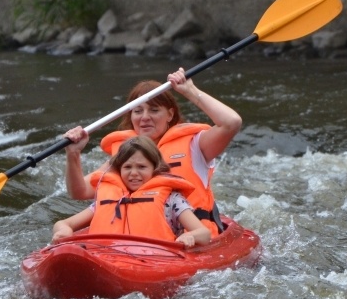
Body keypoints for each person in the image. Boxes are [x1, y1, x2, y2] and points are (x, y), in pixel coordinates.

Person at [62, 67, 242, 238]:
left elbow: (231, 122)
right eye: (138, 111)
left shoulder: (195, 144)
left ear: (170, 115)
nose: (145, 117)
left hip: (190, 239)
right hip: (138, 242)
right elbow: (79, 191)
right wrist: (73, 154)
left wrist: (190, 91)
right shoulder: (125, 154)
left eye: (154, 110)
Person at [51, 136, 211, 247]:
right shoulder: (110, 199)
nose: (134, 173)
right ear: (119, 169)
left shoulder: (172, 199)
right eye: (127, 167)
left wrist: (191, 236)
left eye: (142, 167)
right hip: (110, 257)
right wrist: (64, 230)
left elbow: (204, 233)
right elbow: (64, 223)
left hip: (156, 261)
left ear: (155, 169)